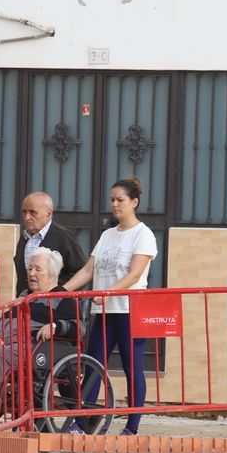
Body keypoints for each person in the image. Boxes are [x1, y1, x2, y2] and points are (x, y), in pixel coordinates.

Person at [60, 177, 159, 436]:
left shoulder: (143, 234)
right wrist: (61, 291)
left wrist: (107, 292)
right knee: (93, 365)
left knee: (132, 366)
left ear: (134, 202)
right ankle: (82, 422)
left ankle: (132, 426)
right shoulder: (106, 235)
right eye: (112, 200)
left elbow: (135, 274)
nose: (115, 204)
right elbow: (89, 269)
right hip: (104, 311)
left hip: (129, 311)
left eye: (120, 200)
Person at [0, 248, 85, 427]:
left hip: (34, 346)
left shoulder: (62, 297)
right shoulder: (24, 295)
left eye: (38, 269)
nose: (31, 274)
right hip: (5, 342)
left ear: (52, 274)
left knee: (0, 355)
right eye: (29, 269)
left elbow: (79, 327)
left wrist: (55, 326)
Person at [13, 191, 87, 298]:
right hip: (27, 304)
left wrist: (58, 292)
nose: (26, 217)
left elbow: (80, 272)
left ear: (49, 214)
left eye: (33, 212)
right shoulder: (24, 237)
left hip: (54, 307)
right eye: (24, 212)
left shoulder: (63, 237)